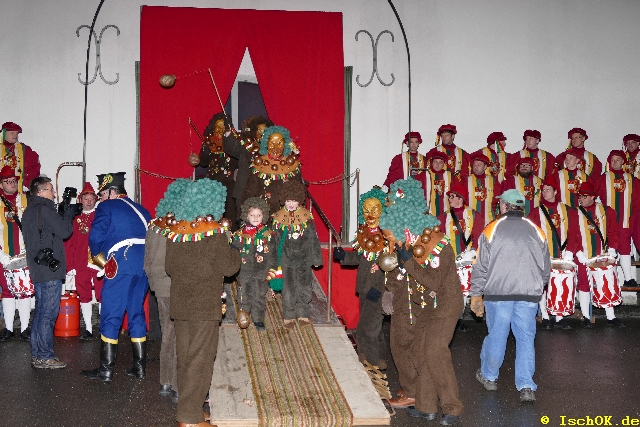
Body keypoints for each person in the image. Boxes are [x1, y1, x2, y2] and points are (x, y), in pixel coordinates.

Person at [380, 177, 464, 425]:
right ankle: (426, 406)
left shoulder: (439, 244)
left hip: (445, 305)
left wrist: (407, 263)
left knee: (435, 351)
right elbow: (404, 277)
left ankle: (453, 407)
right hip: (425, 307)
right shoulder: (409, 244)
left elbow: (434, 282)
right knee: (420, 352)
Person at [159, 178, 241, 427]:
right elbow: (229, 267)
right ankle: (189, 417)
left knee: (185, 358)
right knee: (200, 360)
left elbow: (169, 267)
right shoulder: (214, 234)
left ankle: (190, 408)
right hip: (204, 306)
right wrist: (235, 249)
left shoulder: (176, 233)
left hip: (181, 304)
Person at [470, 189, 550, 403]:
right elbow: (545, 269)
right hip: (528, 296)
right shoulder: (537, 230)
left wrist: (476, 294)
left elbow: (480, 267)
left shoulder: (491, 229)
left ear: (504, 206)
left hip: (498, 295)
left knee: (497, 336)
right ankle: (526, 386)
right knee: (526, 339)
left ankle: (489, 377)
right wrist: (535, 287)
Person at [81, 172, 152, 381]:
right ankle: (139, 368)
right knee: (136, 312)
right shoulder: (142, 210)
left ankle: (106, 370)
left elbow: (95, 237)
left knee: (111, 314)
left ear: (112, 192)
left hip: (121, 262)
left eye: (103, 194)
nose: (100, 199)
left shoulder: (107, 207)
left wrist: (101, 261)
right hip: (144, 265)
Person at [22, 176, 74, 368]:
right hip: (50, 269)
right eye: (51, 189)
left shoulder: (29, 210)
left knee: (40, 312)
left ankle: (37, 355)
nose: (54, 193)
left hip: (38, 268)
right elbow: (65, 231)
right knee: (48, 315)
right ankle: (45, 356)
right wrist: (68, 214)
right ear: (41, 192)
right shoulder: (45, 209)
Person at [333, 188, 388, 369]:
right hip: (364, 286)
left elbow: (391, 264)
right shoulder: (364, 233)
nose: (370, 214)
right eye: (366, 210)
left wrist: (379, 286)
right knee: (372, 324)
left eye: (374, 210)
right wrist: (343, 256)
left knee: (368, 326)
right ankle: (373, 355)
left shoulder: (388, 236)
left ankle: (372, 359)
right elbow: (360, 258)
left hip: (377, 289)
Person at [527, 176, 579, 330]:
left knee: (560, 285)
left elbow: (575, 233)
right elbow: (530, 235)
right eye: (543, 190)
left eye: (548, 190)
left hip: (563, 255)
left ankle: (559, 317)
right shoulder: (535, 212)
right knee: (543, 286)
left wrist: (570, 251)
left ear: (556, 192)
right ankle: (545, 316)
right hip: (543, 255)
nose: (545, 193)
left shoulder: (568, 211)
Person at [271, 180, 323, 328]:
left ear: (299, 200)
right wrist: (273, 261)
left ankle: (303, 313)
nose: (291, 204)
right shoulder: (277, 218)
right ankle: (288, 314)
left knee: (304, 287)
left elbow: (313, 239)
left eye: (294, 200)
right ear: (283, 200)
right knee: (288, 289)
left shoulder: (307, 217)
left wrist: (316, 258)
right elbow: (274, 241)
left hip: (304, 260)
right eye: (288, 200)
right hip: (286, 260)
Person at [574, 182, 625, 328]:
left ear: (593, 197)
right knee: (584, 284)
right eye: (579, 196)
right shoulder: (574, 213)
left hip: (602, 255)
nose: (581, 199)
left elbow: (613, 232)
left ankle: (611, 317)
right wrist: (578, 253)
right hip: (584, 256)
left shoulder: (607, 211)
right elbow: (571, 235)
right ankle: (586, 317)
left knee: (606, 283)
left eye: (584, 196)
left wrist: (612, 249)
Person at [438, 181, 484, 331]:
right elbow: (438, 238)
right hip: (448, 260)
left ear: (461, 198)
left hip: (466, 261)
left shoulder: (474, 215)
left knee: (463, 292)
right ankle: (450, 318)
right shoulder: (443, 217)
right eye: (449, 196)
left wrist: (473, 252)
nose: (449, 199)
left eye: (452, 196)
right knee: (449, 290)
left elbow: (480, 238)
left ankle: (458, 319)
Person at [593, 150, 640, 288]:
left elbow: (637, 201)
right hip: (608, 224)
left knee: (625, 249)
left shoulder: (632, 179)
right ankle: (609, 280)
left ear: (623, 161)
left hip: (625, 222)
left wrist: (633, 219)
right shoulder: (603, 178)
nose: (614, 162)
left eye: (617, 160)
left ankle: (628, 278)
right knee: (608, 251)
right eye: (612, 160)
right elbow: (593, 195)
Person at [231, 197, 277, 331]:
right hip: (243, 271)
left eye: (259, 215)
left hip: (261, 272)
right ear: (247, 215)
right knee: (243, 295)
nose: (256, 218)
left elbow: (273, 254)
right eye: (252, 215)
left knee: (259, 296)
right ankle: (244, 316)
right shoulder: (240, 234)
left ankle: (258, 319)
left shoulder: (268, 234)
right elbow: (233, 251)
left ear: (264, 216)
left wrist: (272, 269)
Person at [145, 214, 178, 402]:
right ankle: (177, 385)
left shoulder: (155, 226)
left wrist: (154, 285)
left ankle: (165, 382)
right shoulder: (181, 226)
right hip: (177, 286)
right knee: (181, 335)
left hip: (160, 286)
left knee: (167, 333)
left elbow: (147, 260)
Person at [64, 182, 102, 340]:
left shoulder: (101, 216)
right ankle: (88, 328)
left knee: (102, 295)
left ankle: (103, 328)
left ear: (95, 199)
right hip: (81, 263)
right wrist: (70, 265)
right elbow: (69, 243)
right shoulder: (75, 219)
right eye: (86, 198)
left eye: (91, 198)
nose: (89, 201)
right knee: (84, 295)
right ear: (80, 200)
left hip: (99, 262)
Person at [241, 126, 304, 216]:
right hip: (262, 216)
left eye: (279, 143)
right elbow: (248, 193)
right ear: (266, 143)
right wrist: (248, 215)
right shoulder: (259, 164)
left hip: (286, 217)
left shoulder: (292, 166)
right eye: (271, 143)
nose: (275, 147)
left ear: (285, 144)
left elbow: (299, 194)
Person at [0, 166, 31, 341]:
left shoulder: (26, 199)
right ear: (1, 184)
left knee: (24, 290)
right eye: (8, 181)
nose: (12, 184)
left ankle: (25, 328)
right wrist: (1, 255)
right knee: (7, 291)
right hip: (3, 254)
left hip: (24, 254)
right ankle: (9, 328)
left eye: (14, 181)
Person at [222, 116, 274, 219]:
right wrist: (228, 130)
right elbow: (231, 147)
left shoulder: (274, 150)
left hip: (266, 192)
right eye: (259, 130)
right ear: (253, 132)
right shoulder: (245, 147)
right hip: (244, 192)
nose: (261, 134)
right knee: (244, 221)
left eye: (264, 131)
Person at [199, 112, 239, 226]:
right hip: (213, 183)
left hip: (231, 183)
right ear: (213, 128)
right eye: (218, 127)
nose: (220, 130)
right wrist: (205, 152)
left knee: (230, 209)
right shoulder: (209, 142)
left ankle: (230, 232)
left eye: (223, 127)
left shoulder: (234, 141)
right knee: (213, 209)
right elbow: (203, 162)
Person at [1, 122, 41, 192]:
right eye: (12, 133)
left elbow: (35, 167)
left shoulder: (24, 150)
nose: (15, 135)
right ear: (4, 133)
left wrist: (27, 184)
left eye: (17, 133)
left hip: (20, 192)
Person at [466, 152, 501, 226]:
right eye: (474, 165)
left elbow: (497, 200)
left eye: (479, 165)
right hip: (470, 220)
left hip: (488, 220)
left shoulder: (493, 181)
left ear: (485, 167)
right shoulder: (466, 180)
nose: (476, 167)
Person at [423, 151, 454, 217]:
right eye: (435, 162)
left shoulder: (450, 176)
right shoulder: (424, 175)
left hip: (446, 213)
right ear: (431, 162)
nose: (437, 165)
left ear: (444, 164)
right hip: (427, 213)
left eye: (440, 162)